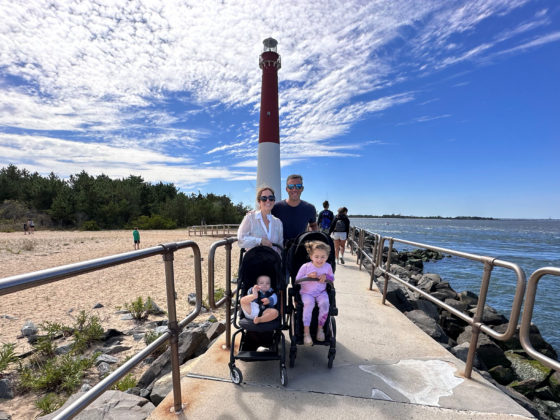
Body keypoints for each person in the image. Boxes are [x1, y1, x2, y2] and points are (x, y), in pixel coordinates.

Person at [296, 241, 334, 345]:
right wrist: (309, 277)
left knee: (325, 303)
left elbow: (332, 278)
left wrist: (326, 277)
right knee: (309, 304)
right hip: (306, 292)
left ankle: (320, 329)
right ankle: (306, 333)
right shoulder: (306, 267)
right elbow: (297, 280)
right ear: (311, 256)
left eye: (323, 257)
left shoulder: (327, 267)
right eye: (316, 256)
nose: (320, 260)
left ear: (327, 257)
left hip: (321, 292)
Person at [271, 174, 317, 248]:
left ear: (302, 188)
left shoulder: (310, 208)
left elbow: (313, 225)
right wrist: (253, 214)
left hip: (301, 250)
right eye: (291, 186)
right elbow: (263, 217)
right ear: (287, 189)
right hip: (280, 251)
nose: (294, 189)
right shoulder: (276, 207)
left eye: (298, 186)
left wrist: (312, 238)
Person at [238, 186, 283, 253]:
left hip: (273, 262)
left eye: (271, 198)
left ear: (274, 200)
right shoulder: (250, 217)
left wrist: (279, 262)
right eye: (264, 198)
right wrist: (260, 241)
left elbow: (280, 246)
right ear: (259, 201)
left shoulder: (278, 222)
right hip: (254, 261)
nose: (268, 200)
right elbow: (241, 239)